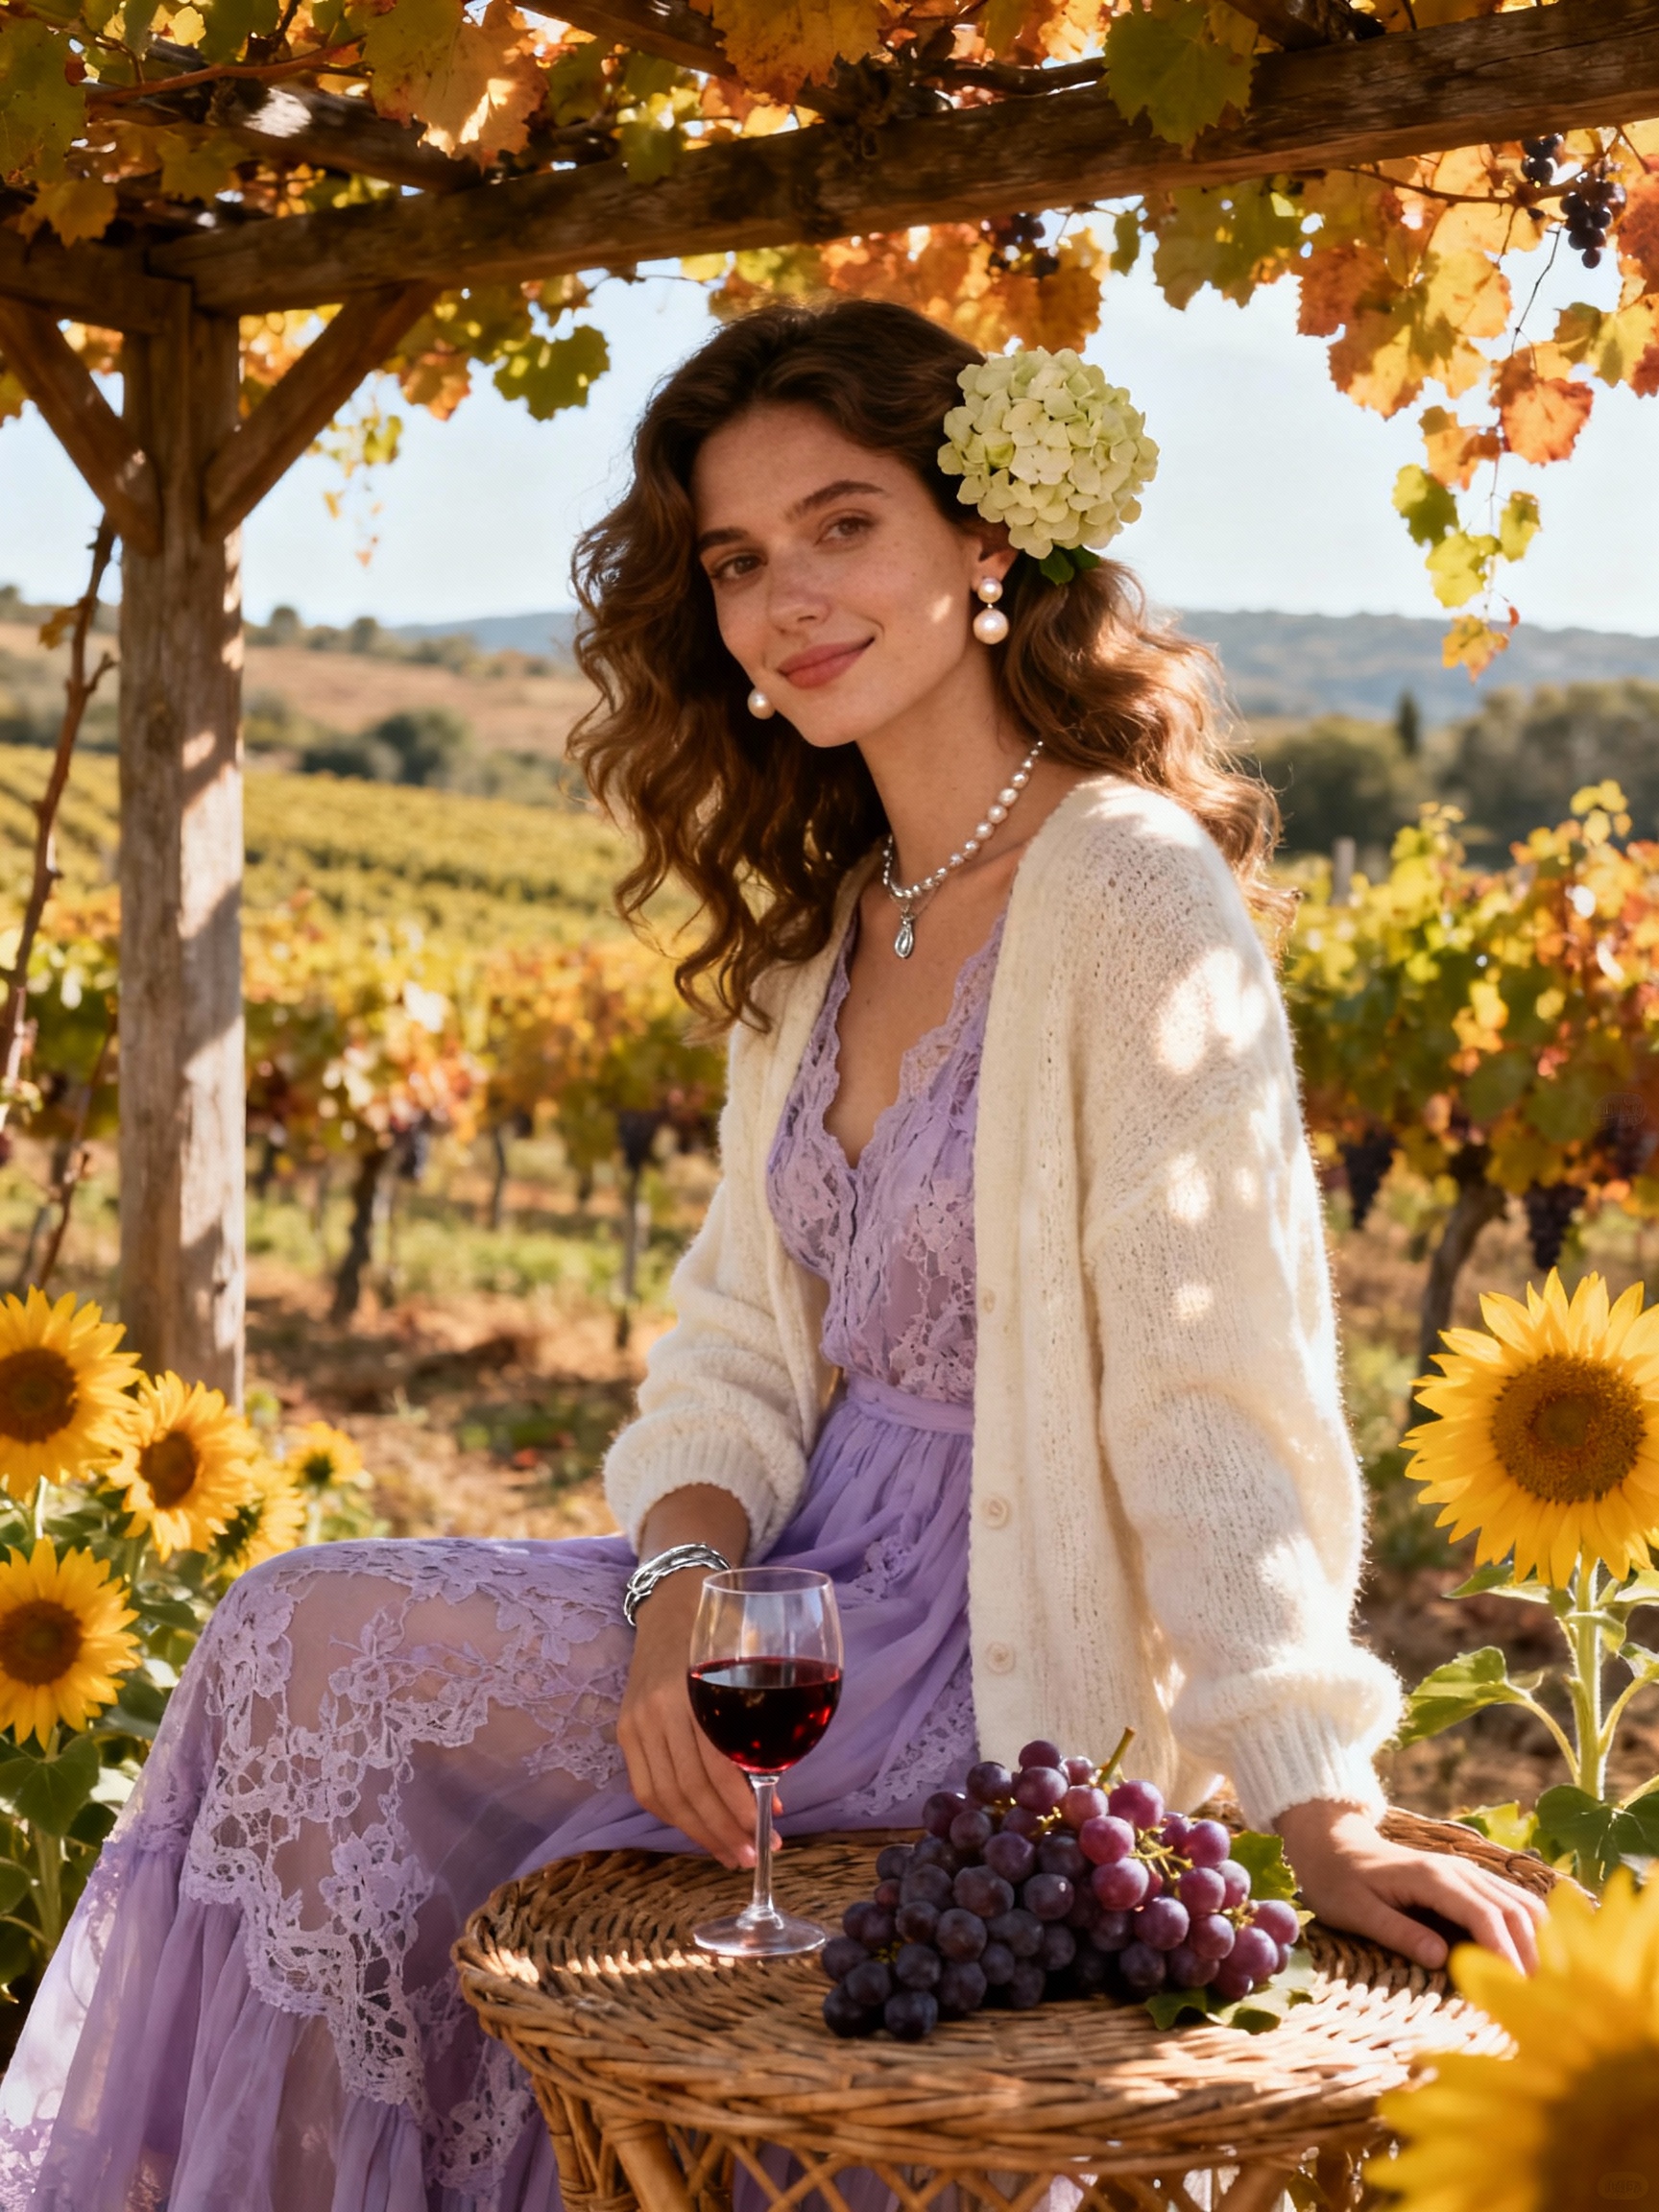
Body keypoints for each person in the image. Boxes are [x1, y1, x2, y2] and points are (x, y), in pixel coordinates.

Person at [0, 298, 1545, 2212]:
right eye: (737, 559)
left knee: (306, 1651)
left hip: (991, 1665)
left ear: (987, 545)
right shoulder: (830, 931)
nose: (784, 599)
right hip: (797, 1599)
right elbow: (733, 1350)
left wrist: (1314, 1799)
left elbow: (1212, 1393)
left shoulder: (1131, 890)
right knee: (288, 1635)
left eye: (843, 526)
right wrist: (676, 1594)